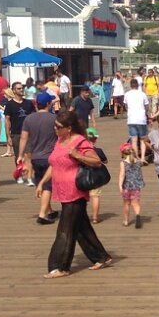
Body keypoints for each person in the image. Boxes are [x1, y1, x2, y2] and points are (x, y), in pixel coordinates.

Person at [35, 108, 112, 279]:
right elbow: (54, 164)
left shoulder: (80, 141)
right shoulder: (59, 141)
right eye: (55, 126)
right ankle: (101, 257)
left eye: (58, 127)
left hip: (75, 191)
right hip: (62, 191)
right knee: (81, 227)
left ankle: (59, 266)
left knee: (65, 230)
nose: (55, 129)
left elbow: (96, 161)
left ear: (68, 128)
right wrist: (41, 182)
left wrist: (78, 155)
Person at [21, 92, 60, 224]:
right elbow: (61, 136)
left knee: (40, 184)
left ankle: (49, 211)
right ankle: (42, 215)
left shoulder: (29, 119)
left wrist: (20, 155)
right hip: (49, 156)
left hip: (35, 157)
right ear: (48, 104)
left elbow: (23, 138)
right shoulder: (54, 118)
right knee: (48, 186)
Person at [3, 80, 36, 165]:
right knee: (19, 157)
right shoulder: (9, 104)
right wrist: (8, 137)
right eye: (19, 88)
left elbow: (34, 117)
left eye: (22, 88)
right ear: (14, 91)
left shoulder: (28, 103)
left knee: (29, 155)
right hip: (16, 134)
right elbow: (7, 121)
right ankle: (20, 172)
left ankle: (29, 173)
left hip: (29, 133)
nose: (21, 90)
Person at [118, 142, 145, 228]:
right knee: (136, 203)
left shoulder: (123, 163)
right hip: (136, 186)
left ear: (123, 153)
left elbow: (122, 175)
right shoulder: (138, 161)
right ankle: (137, 215)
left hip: (126, 186)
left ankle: (126, 221)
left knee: (126, 203)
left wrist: (120, 185)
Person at [123, 78, 150, 162]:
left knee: (134, 140)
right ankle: (142, 158)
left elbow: (126, 106)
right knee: (142, 140)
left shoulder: (127, 94)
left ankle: (136, 158)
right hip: (141, 119)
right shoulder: (142, 94)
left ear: (130, 85)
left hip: (131, 119)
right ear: (138, 85)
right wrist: (145, 112)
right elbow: (147, 107)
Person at [86, 128, 108, 225]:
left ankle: (81, 216)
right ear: (95, 139)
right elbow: (105, 161)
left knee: (81, 198)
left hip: (82, 176)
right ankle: (95, 218)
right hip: (95, 177)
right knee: (95, 196)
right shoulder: (98, 150)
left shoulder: (80, 151)